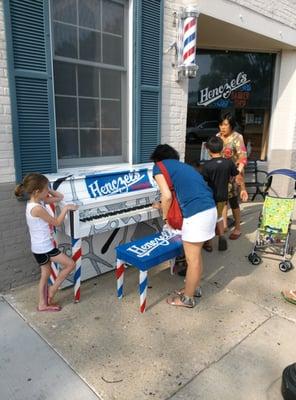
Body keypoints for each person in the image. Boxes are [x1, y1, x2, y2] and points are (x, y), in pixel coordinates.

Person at [150, 144, 217, 308]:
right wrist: (162, 205)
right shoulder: (183, 167)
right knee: (196, 256)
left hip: (197, 215)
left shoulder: (158, 167)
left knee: (192, 260)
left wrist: (165, 219)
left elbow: (166, 196)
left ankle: (187, 299)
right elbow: (178, 195)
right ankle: (193, 288)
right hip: (209, 210)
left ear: (157, 159)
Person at [15, 173, 78, 312]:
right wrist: (66, 209)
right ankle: (51, 291)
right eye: (46, 188)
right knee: (70, 264)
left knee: (45, 274)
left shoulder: (37, 202)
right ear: (37, 191)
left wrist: (47, 189)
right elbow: (56, 222)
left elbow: (59, 197)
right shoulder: (37, 208)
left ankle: (43, 303)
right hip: (44, 248)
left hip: (39, 247)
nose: (48, 190)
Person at [202, 136, 248, 252]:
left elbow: (204, 182)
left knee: (210, 219)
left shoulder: (207, 166)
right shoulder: (228, 163)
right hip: (223, 196)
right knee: (219, 217)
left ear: (208, 150)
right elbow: (235, 173)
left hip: (211, 197)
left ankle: (209, 243)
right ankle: (222, 237)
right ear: (222, 149)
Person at [217, 113, 248, 240]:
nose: (222, 128)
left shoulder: (237, 137)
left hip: (234, 174)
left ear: (231, 125)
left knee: (233, 201)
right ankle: (223, 226)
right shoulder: (217, 137)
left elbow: (243, 158)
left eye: (225, 125)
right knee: (222, 201)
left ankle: (237, 228)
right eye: (220, 125)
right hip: (220, 174)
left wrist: (237, 174)